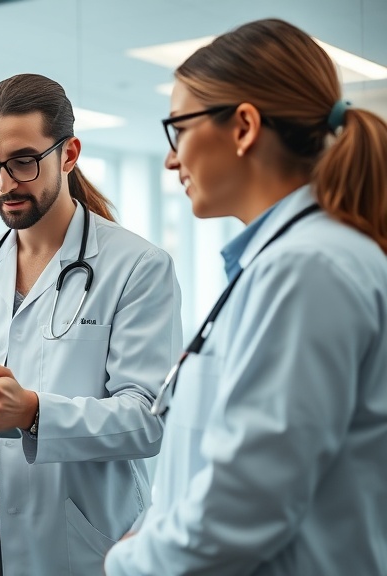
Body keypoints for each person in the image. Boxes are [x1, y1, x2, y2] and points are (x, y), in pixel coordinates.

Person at [104, 18, 387, 576]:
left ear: (243, 127)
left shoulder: (307, 269)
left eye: (178, 128)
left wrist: (126, 565)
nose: (170, 158)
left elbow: (245, 505)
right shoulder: (286, 262)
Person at [0, 73, 183, 576]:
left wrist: (32, 413)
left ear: (69, 154)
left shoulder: (137, 266)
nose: (4, 184)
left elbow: (149, 419)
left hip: (75, 544)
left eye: (23, 162)